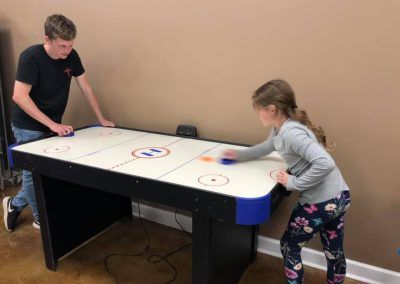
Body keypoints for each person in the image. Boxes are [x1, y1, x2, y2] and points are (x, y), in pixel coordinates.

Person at [221, 79, 351, 284]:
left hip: (321, 202)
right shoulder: (280, 128)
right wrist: (238, 155)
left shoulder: (291, 133)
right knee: (334, 251)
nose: (257, 116)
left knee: (289, 246)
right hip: (339, 195)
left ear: (271, 109)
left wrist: (294, 183)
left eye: (258, 111)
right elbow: (266, 147)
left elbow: (325, 163)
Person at [3, 14, 115, 232]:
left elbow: (86, 87)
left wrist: (101, 119)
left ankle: (14, 204)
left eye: (70, 45)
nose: (66, 51)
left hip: (53, 123)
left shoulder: (72, 56)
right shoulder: (31, 57)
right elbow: (19, 96)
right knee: (33, 174)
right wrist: (52, 125)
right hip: (28, 125)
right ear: (47, 39)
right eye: (62, 46)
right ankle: (40, 220)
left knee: (45, 172)